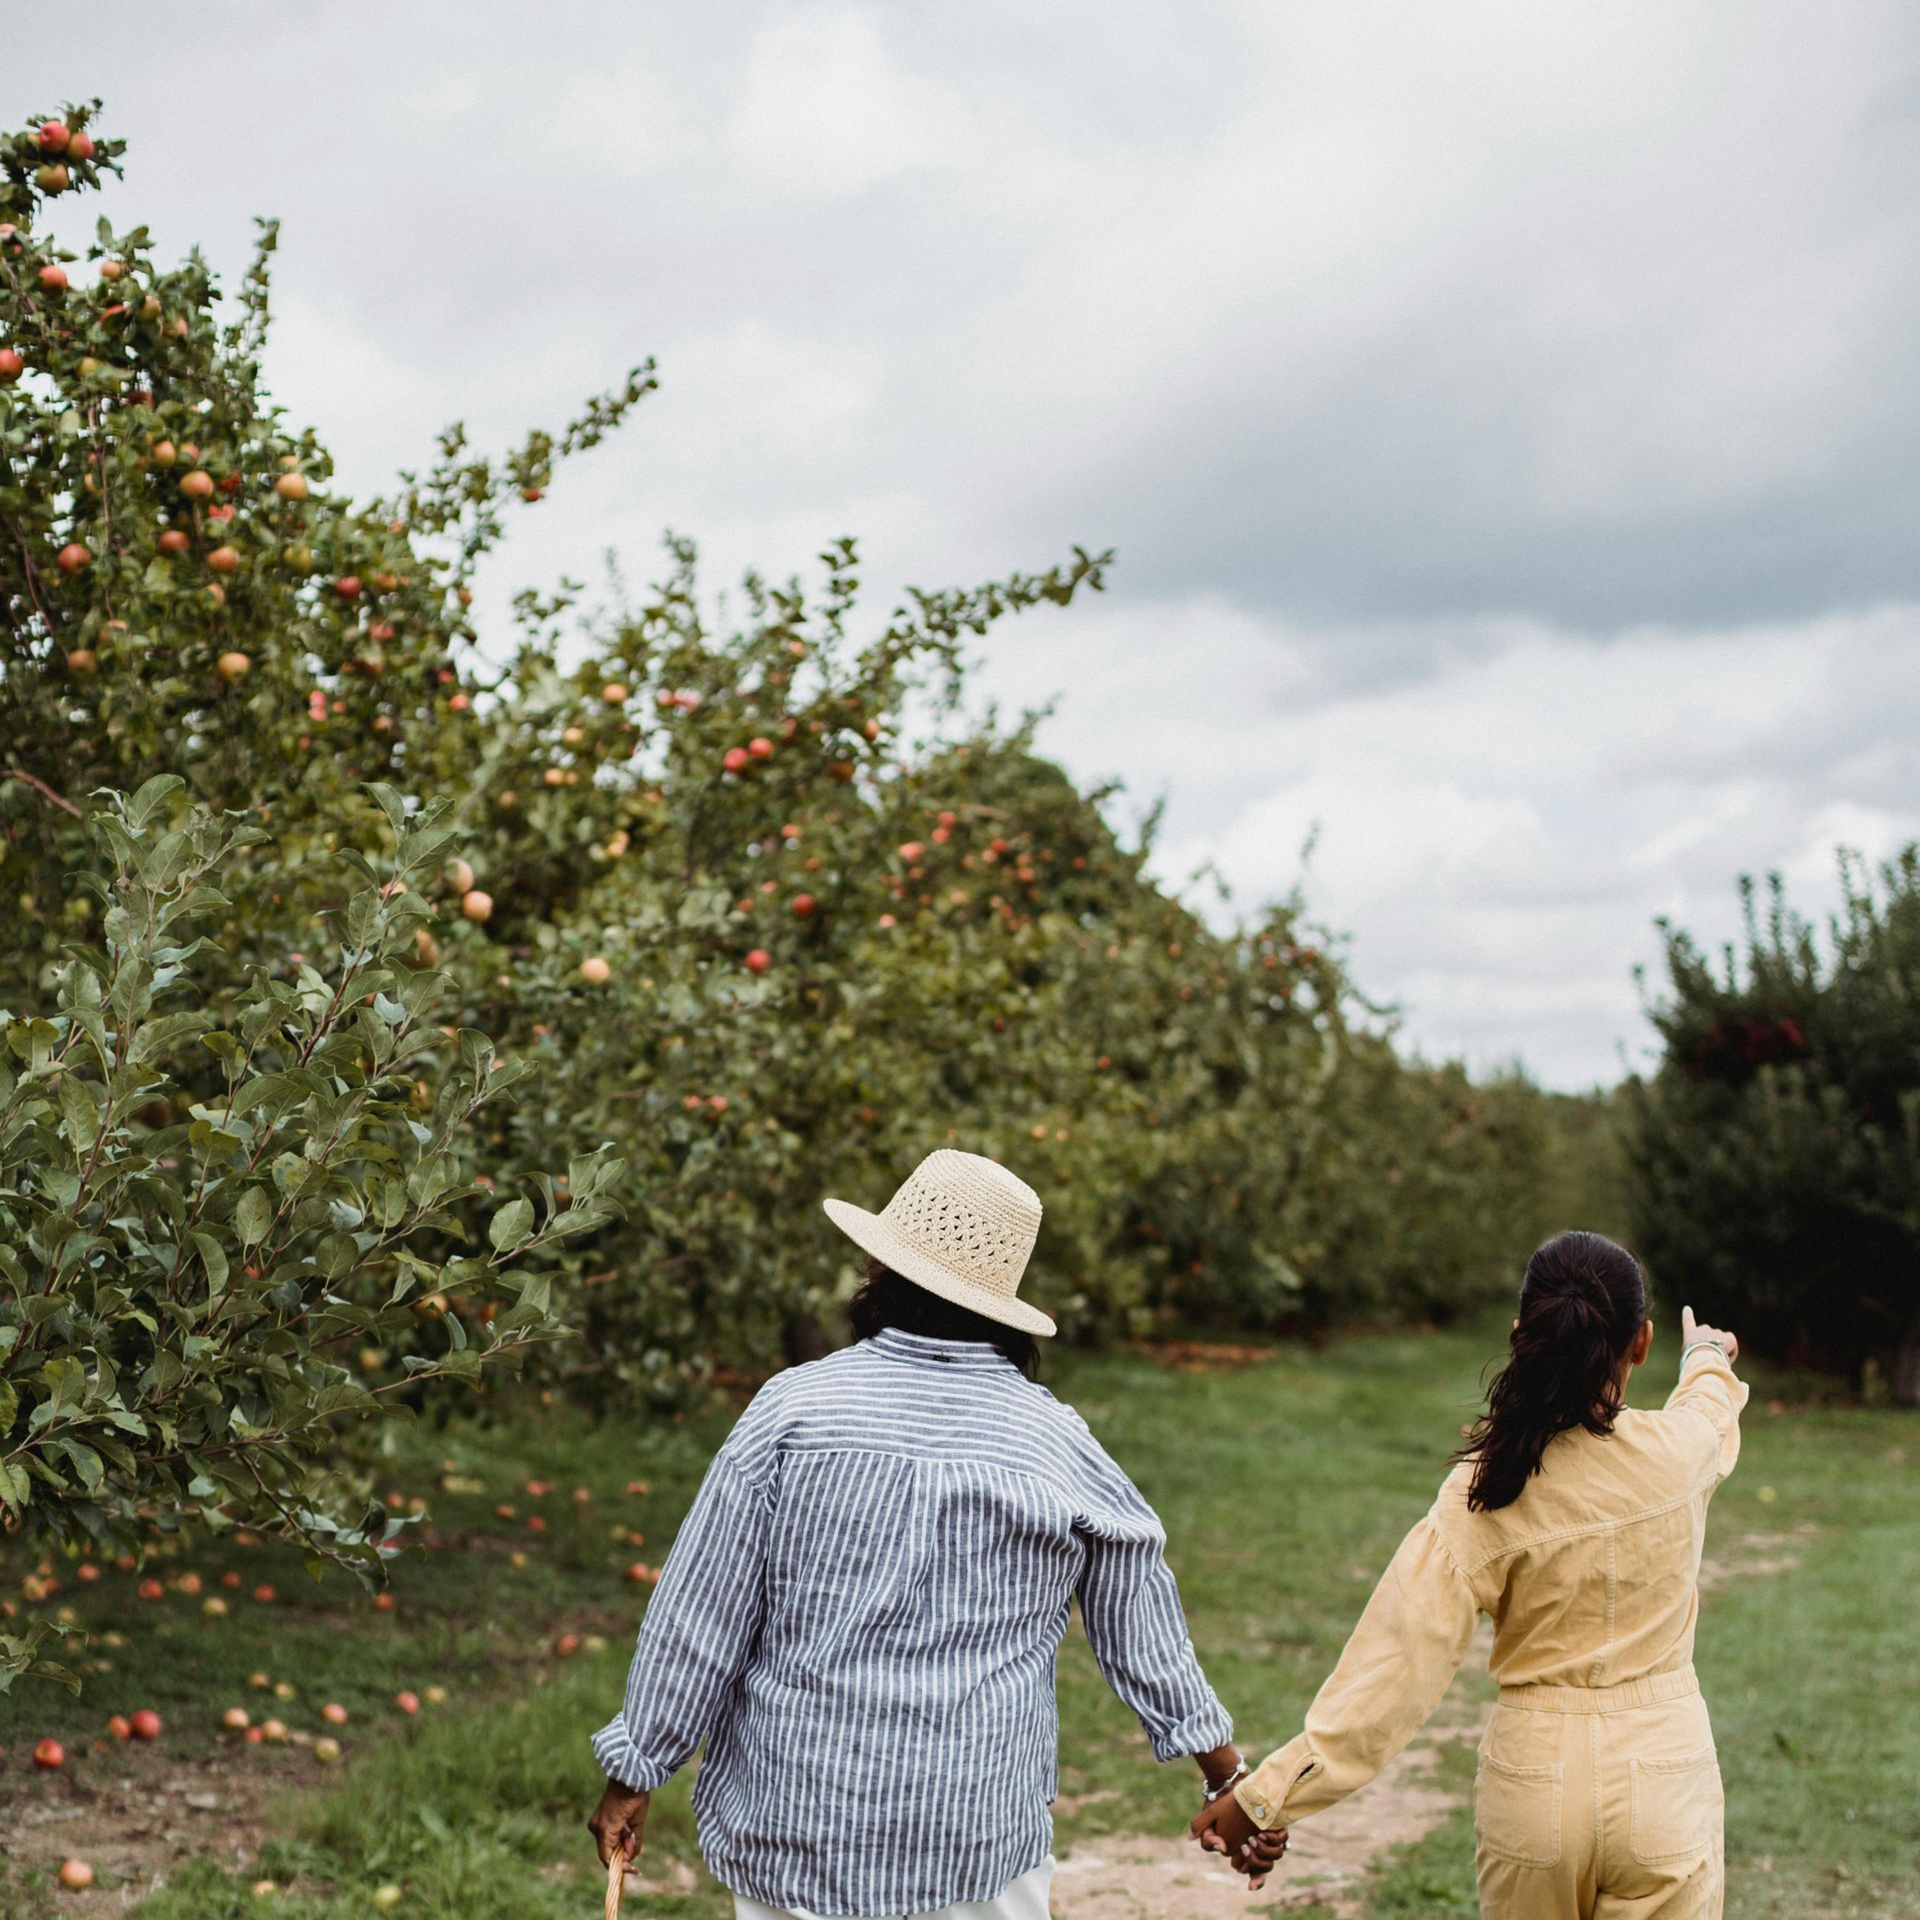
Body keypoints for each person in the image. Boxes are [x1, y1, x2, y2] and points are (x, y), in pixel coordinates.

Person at [587, 1148, 1244, 1920]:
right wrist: (1226, 1775)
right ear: (1001, 1299)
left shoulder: (793, 1410)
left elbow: (702, 1614)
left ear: (878, 1266)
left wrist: (636, 1773)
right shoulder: (1053, 1441)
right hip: (972, 1840)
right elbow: (1142, 1622)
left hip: (797, 1826)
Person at [1194, 1230, 1748, 1918]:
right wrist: (1704, 1354)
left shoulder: (1485, 1488)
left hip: (1535, 1786)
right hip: (1666, 1781)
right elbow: (1708, 1406)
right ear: (1641, 1342)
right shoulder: (1679, 1454)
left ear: (1523, 1336)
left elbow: (1392, 1671)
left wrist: (1266, 1797)